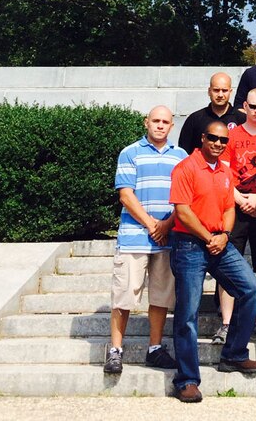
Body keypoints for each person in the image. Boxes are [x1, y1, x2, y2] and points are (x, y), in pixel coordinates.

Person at [168, 121, 256, 403]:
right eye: (213, 138)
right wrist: (208, 236)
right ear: (202, 138)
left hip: (219, 242)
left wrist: (223, 234)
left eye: (223, 140)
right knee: (187, 312)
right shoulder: (185, 168)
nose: (218, 144)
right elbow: (182, 212)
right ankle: (186, 379)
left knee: (251, 289)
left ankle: (234, 354)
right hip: (189, 244)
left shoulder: (224, 170)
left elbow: (228, 207)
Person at [104, 105, 186, 376]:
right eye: (156, 121)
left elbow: (184, 199)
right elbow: (126, 195)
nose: (160, 125)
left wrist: (166, 225)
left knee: (161, 296)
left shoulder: (180, 157)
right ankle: (115, 350)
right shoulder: (130, 152)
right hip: (134, 239)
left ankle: (155, 348)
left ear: (171, 126)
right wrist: (153, 224)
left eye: (165, 122)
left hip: (167, 238)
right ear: (146, 123)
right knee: (124, 296)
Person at [213, 89, 256, 347]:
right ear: (244, 106)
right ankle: (227, 322)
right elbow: (224, 173)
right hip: (235, 208)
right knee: (228, 265)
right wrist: (242, 199)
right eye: (253, 106)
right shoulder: (231, 136)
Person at [177, 72, 245, 155]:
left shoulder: (242, 119)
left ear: (230, 92)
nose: (220, 95)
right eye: (216, 90)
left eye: (224, 90)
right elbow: (184, 153)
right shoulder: (195, 119)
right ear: (209, 91)